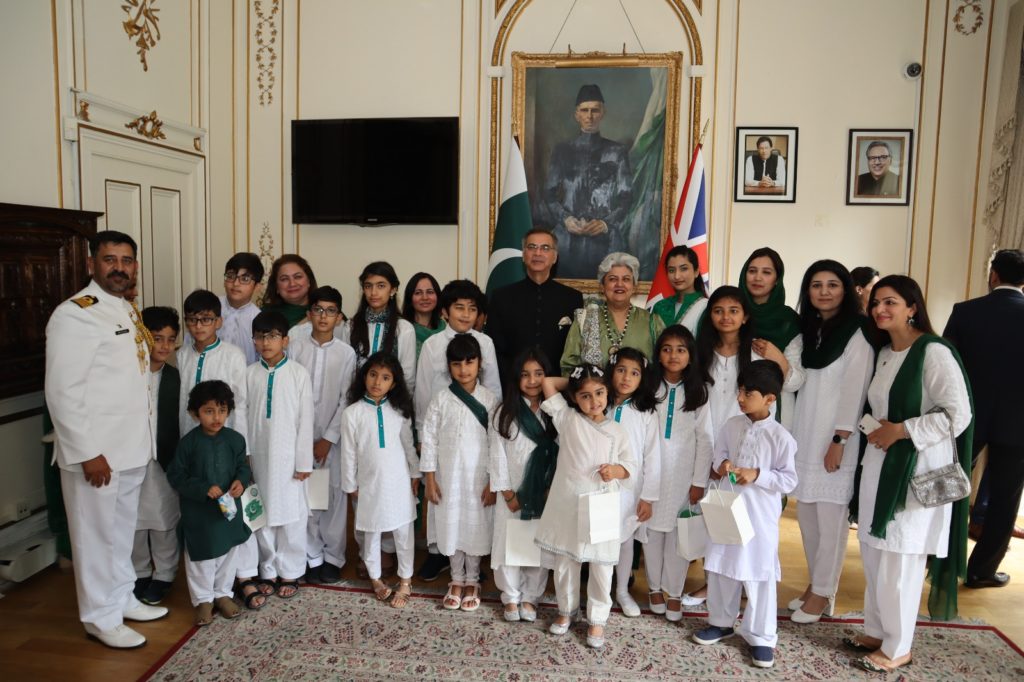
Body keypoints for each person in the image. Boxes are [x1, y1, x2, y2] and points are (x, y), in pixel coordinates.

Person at [45, 230, 167, 648]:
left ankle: (121, 598)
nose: (120, 267)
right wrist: (87, 453)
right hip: (96, 455)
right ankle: (99, 617)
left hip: (130, 448)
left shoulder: (124, 309)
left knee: (120, 533)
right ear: (91, 264)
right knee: (95, 537)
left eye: (127, 260)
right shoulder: (75, 314)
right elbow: (63, 391)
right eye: (110, 259)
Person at [848, 275, 972, 674]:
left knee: (900, 558)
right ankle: (876, 629)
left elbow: (958, 414)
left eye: (891, 302)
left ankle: (898, 646)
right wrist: (877, 429)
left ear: (912, 307)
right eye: (876, 303)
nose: (881, 309)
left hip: (914, 472)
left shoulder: (933, 352)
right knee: (873, 550)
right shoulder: (886, 353)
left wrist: (901, 430)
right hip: (879, 465)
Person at [693, 360, 798, 670]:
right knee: (723, 567)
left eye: (748, 393)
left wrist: (758, 474)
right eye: (740, 390)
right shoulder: (731, 425)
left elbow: (789, 480)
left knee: (758, 573)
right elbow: (720, 454)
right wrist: (724, 464)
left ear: (770, 399)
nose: (740, 398)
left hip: (759, 518)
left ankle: (762, 636)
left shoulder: (781, 438)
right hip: (728, 509)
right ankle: (721, 621)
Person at [788, 261, 874, 623]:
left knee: (830, 519)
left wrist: (839, 438)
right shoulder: (809, 330)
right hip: (806, 433)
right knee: (806, 514)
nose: (824, 291)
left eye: (833, 285)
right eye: (816, 285)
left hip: (837, 437)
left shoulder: (858, 331)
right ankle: (816, 584)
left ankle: (824, 593)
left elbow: (855, 389)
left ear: (847, 290)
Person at [534, 366, 635, 649]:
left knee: (601, 565)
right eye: (585, 396)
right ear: (574, 399)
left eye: (600, 393)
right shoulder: (568, 420)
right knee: (567, 561)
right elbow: (548, 382)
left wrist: (616, 470)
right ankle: (566, 611)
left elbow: (631, 467)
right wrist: (577, 379)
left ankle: (597, 618)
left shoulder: (618, 431)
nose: (594, 401)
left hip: (602, 503)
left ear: (608, 393)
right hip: (569, 501)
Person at [944, 249, 1024, 588]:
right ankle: (982, 570)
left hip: (968, 415)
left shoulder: (966, 312)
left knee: (948, 486)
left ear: (993, 275)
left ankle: (937, 560)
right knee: (1006, 498)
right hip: (1018, 423)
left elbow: (947, 365)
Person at [414, 279, 501, 580]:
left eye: (472, 308)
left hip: (477, 437)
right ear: (445, 312)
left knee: (474, 499)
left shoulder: (485, 343)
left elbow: (494, 390)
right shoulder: (432, 345)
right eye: (459, 307)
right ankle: (440, 555)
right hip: (442, 436)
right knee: (443, 496)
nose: (465, 314)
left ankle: (474, 561)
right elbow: (423, 393)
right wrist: (422, 437)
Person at [419, 334, 499, 612]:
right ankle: (455, 579)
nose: (463, 369)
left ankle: (473, 580)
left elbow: (497, 443)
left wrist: (492, 482)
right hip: (447, 476)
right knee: (452, 525)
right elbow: (429, 440)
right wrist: (429, 479)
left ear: (480, 363)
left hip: (479, 477)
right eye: (457, 363)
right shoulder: (440, 400)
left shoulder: (490, 401)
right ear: (449, 366)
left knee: (474, 526)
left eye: (470, 362)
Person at [166, 380, 253, 626]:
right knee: (202, 557)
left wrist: (240, 481)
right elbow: (176, 476)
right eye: (209, 411)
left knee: (228, 553)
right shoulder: (188, 443)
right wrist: (203, 488)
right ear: (195, 413)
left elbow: (242, 468)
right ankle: (203, 600)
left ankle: (223, 594)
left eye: (222, 411)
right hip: (199, 513)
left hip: (228, 512)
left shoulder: (235, 440)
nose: (217, 417)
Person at [340, 352, 420, 608]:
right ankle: (376, 579)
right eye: (373, 374)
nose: (377, 382)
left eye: (385, 377)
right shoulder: (352, 413)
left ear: (393, 384)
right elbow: (349, 452)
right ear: (364, 377)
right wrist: (351, 485)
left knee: (403, 531)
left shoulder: (399, 411)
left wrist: (416, 474)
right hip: (368, 484)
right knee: (370, 531)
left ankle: (405, 579)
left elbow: (408, 446)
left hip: (398, 482)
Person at [289, 286, 357, 585]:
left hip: (332, 440)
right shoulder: (295, 345)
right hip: (299, 436)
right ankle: (311, 555)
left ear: (339, 318)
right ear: (309, 313)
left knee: (331, 499)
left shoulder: (346, 354)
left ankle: (332, 557)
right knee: (306, 498)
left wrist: (328, 439)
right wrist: (302, 438)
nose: (323, 316)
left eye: (330, 311)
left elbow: (346, 399)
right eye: (318, 309)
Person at [644, 328, 713, 620]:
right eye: (667, 349)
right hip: (651, 472)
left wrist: (699, 481)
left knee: (678, 535)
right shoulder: (648, 387)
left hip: (684, 474)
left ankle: (674, 591)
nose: (673, 355)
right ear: (658, 353)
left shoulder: (699, 390)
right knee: (651, 533)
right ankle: (653, 588)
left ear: (690, 355)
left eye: (681, 350)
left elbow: (705, 439)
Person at [246, 311, 315, 599]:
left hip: (289, 459)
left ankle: (291, 571)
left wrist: (303, 461)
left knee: (291, 516)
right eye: (260, 337)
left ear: (285, 340)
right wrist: (245, 456)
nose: (266, 342)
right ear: (254, 341)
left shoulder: (298, 374)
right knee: (261, 516)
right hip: (258, 457)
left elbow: (306, 420)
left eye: (272, 336)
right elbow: (242, 417)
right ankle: (269, 570)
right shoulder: (249, 374)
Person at [488, 347, 558, 623]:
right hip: (512, 493)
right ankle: (511, 596)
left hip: (544, 491)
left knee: (538, 545)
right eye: (525, 374)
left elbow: (563, 453)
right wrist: (507, 492)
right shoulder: (503, 411)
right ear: (515, 378)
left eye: (539, 374)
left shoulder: (556, 411)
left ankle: (531, 597)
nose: (532, 380)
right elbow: (496, 454)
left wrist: (549, 488)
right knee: (509, 544)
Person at [539, 84, 632, 279]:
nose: (589, 116)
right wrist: (565, 219)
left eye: (595, 110)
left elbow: (626, 197)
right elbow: (549, 193)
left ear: (602, 113)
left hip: (607, 241)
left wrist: (606, 223)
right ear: (576, 114)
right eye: (584, 110)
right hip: (567, 241)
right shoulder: (562, 151)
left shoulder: (617, 151)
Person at [604, 347, 662, 619]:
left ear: (643, 377)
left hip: (630, 487)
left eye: (635, 372)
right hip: (599, 483)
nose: (627, 377)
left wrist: (648, 496)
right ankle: (601, 590)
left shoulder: (645, 411)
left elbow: (652, 454)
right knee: (600, 537)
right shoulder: (598, 401)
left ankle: (622, 591)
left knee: (625, 539)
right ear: (611, 371)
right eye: (621, 370)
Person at [485, 228, 583, 386]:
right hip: (513, 387)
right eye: (531, 247)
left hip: (559, 388)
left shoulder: (572, 298)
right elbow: (495, 349)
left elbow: (576, 351)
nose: (538, 253)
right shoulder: (501, 297)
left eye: (545, 248)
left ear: (555, 257)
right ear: (524, 255)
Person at [131, 306, 182, 607]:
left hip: (164, 458)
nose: (163, 346)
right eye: (157, 339)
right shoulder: (128, 375)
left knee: (163, 518)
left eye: (170, 339)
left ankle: (164, 573)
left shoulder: (174, 377)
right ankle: (138, 571)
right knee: (134, 519)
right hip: (132, 457)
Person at [561, 252, 665, 375]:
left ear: (634, 286)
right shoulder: (583, 320)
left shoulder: (652, 322)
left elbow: (664, 365)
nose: (619, 284)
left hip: (641, 394)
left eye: (626, 279)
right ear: (602, 286)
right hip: (593, 393)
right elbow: (568, 367)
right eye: (612, 279)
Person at [738, 247, 805, 428]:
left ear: (777, 279)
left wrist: (778, 359)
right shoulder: (732, 314)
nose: (758, 278)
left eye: (766, 272)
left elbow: (797, 382)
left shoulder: (788, 321)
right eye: (752, 271)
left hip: (775, 415)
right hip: (733, 407)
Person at [177, 289, 249, 442]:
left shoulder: (233, 355)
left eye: (206, 319)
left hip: (223, 439)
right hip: (188, 436)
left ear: (218, 322)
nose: (198, 326)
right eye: (192, 319)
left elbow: (241, 404)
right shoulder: (182, 355)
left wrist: (243, 447)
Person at [344, 262, 417, 393]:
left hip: (392, 405)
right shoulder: (350, 326)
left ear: (393, 290)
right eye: (368, 286)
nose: (373, 292)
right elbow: (345, 372)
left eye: (381, 286)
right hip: (356, 403)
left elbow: (408, 377)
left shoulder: (404, 328)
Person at [218, 252, 265, 364]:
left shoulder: (259, 320)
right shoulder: (209, 307)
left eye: (245, 279)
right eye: (230, 276)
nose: (235, 283)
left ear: (257, 287)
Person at [651, 245, 709, 333]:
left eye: (684, 269)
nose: (677, 276)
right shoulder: (660, 307)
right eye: (671, 270)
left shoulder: (706, 307)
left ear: (696, 272)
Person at [262, 254, 318, 327]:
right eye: (284, 279)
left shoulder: (326, 311)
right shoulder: (263, 315)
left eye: (298, 277)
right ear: (276, 287)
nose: (292, 284)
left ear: (309, 281)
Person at [400, 272, 446, 359]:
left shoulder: (446, 330)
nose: (425, 297)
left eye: (430, 292)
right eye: (418, 293)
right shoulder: (402, 329)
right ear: (410, 298)